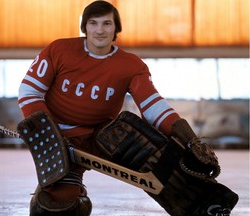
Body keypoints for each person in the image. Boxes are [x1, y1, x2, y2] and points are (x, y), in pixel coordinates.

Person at [17, 1, 238, 215]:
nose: (99, 30)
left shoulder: (131, 65)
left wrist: (189, 138)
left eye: (107, 24)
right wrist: (49, 134)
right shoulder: (59, 49)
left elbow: (152, 106)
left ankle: (207, 203)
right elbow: (29, 92)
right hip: (58, 137)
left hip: (103, 136)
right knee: (55, 209)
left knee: (161, 154)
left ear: (116, 29)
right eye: (93, 23)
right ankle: (70, 188)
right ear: (84, 27)